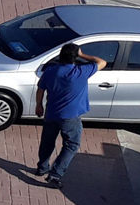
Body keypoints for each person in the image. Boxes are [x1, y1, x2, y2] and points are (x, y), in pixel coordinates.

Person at [34, 42, 108, 188]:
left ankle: (42, 168)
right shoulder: (81, 72)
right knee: (71, 144)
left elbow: (40, 89)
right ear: (75, 58)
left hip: (51, 113)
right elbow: (102, 62)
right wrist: (82, 54)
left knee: (47, 142)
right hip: (70, 116)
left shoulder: (51, 71)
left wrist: (39, 105)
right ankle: (55, 174)